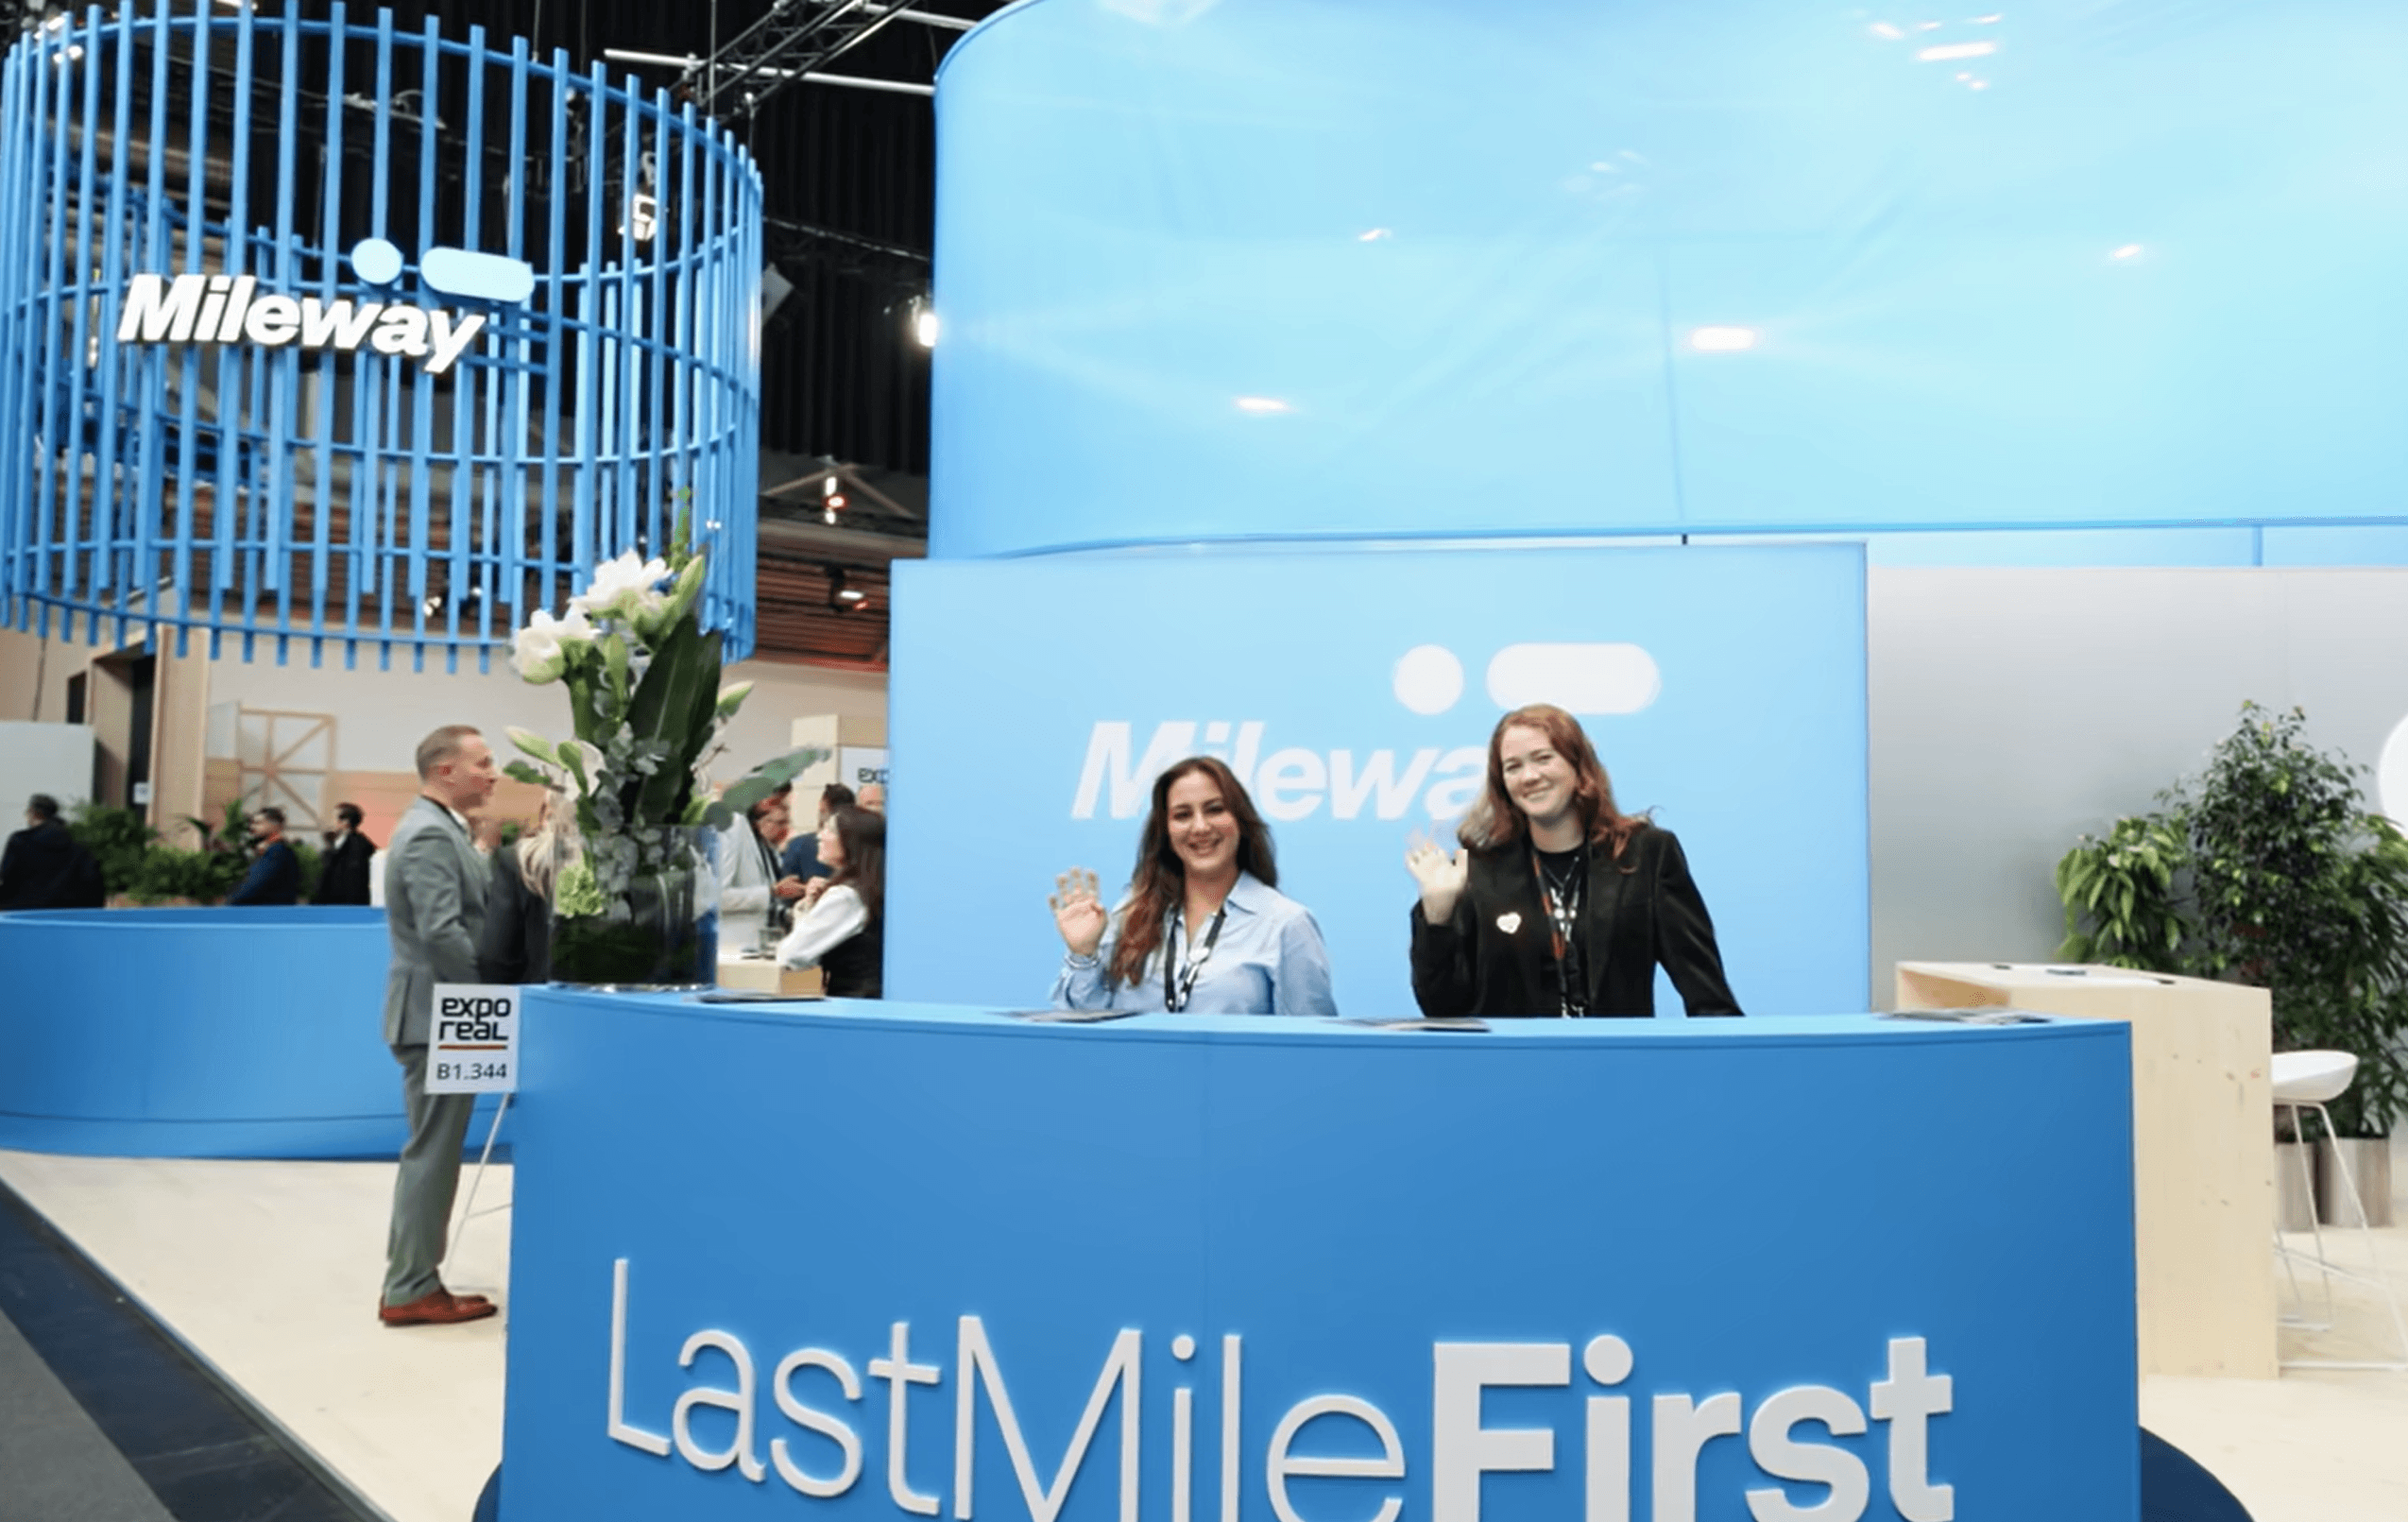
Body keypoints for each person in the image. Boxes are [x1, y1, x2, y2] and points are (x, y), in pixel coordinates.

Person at [1405, 704, 1741, 1019]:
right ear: (1503, 784)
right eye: (1513, 767)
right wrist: (1438, 914)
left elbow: (1707, 995)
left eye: (1543, 758)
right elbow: (1442, 1009)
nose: (1529, 776)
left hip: (1617, 1070)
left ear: (1579, 767)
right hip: (1514, 1073)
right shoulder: (1479, 869)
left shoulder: (1647, 855)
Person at [1048, 757, 1337, 1017]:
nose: (1199, 827)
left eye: (1215, 810)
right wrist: (1083, 955)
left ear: (1240, 820)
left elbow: (1312, 1050)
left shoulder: (1286, 923)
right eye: (1182, 815)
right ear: (1166, 831)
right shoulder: (1130, 915)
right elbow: (1087, 1030)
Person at [379, 724, 502, 1326]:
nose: (493, 773)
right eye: (481, 762)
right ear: (444, 770)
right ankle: (410, 1286)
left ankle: (413, 1277)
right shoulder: (429, 833)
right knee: (432, 1150)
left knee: (434, 1148)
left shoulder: (442, 829)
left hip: (438, 1012)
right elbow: (442, 931)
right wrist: (485, 1001)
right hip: (438, 1015)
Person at [776, 805, 885, 996]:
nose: (820, 836)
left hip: (849, 1005)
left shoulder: (845, 897)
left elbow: (791, 954)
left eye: (829, 830)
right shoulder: (866, 889)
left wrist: (809, 908)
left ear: (851, 841)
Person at [478, 794, 557, 984]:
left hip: (539, 1001)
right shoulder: (628, 866)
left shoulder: (519, 863)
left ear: (546, 814)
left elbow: (495, 956)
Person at [0, 794, 105, 910]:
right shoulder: (77, 848)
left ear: (33, 812)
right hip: (62, 915)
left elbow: (7, 875)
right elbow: (92, 882)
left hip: (21, 913)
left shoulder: (19, 842)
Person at [227, 807, 301, 906]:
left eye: (258, 823)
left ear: (276, 826)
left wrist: (230, 901)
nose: (252, 827)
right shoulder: (272, 849)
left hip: (268, 914)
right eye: (252, 823)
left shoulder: (276, 851)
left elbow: (254, 885)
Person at [316, 802, 376, 905]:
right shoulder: (339, 843)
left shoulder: (359, 848)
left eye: (335, 818)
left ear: (345, 822)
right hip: (336, 906)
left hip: (346, 908)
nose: (333, 822)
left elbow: (353, 882)